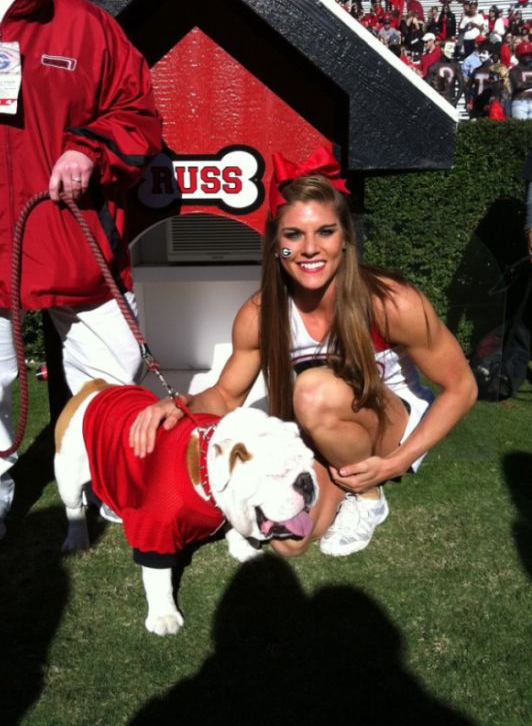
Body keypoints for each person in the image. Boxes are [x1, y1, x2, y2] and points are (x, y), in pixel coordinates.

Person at [129, 147, 477, 559]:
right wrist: (180, 406)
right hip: (326, 425)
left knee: (314, 391)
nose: (310, 248)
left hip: (389, 424)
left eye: (325, 232)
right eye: (294, 235)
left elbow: (461, 386)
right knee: (289, 540)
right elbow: (225, 396)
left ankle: (368, 496)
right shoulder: (260, 314)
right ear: (277, 245)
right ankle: (341, 476)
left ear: (345, 239)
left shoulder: (389, 302)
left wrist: (397, 462)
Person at [0, 0, 162, 568]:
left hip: (74, 235)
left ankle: (112, 490)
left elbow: (136, 112)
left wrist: (90, 149)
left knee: (113, 375)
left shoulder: (85, 24)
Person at [426, 41, 466, 106]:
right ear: (442, 49)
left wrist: (455, 101)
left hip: (450, 100)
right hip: (436, 101)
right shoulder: (434, 66)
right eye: (450, 48)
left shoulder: (456, 66)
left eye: (453, 48)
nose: (452, 51)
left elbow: (462, 84)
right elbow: (427, 86)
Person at [509, 41, 532, 118]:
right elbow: (518, 85)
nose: (528, 57)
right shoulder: (514, 70)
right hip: (520, 101)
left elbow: (523, 84)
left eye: (529, 54)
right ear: (519, 56)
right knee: (519, 128)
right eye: (525, 55)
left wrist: (527, 84)